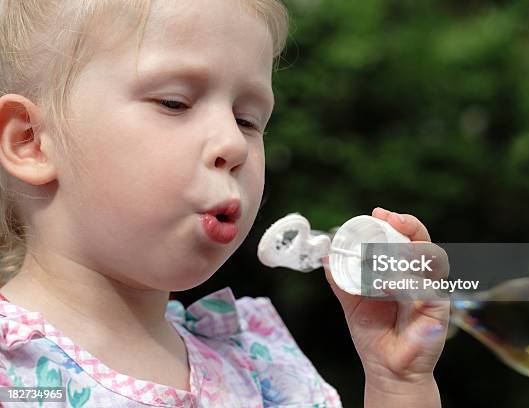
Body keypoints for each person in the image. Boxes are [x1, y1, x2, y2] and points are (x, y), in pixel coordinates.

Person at [0, 1, 449, 406]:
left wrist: (397, 383)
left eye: (248, 120)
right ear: (31, 142)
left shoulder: (263, 365)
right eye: (174, 102)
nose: (233, 144)